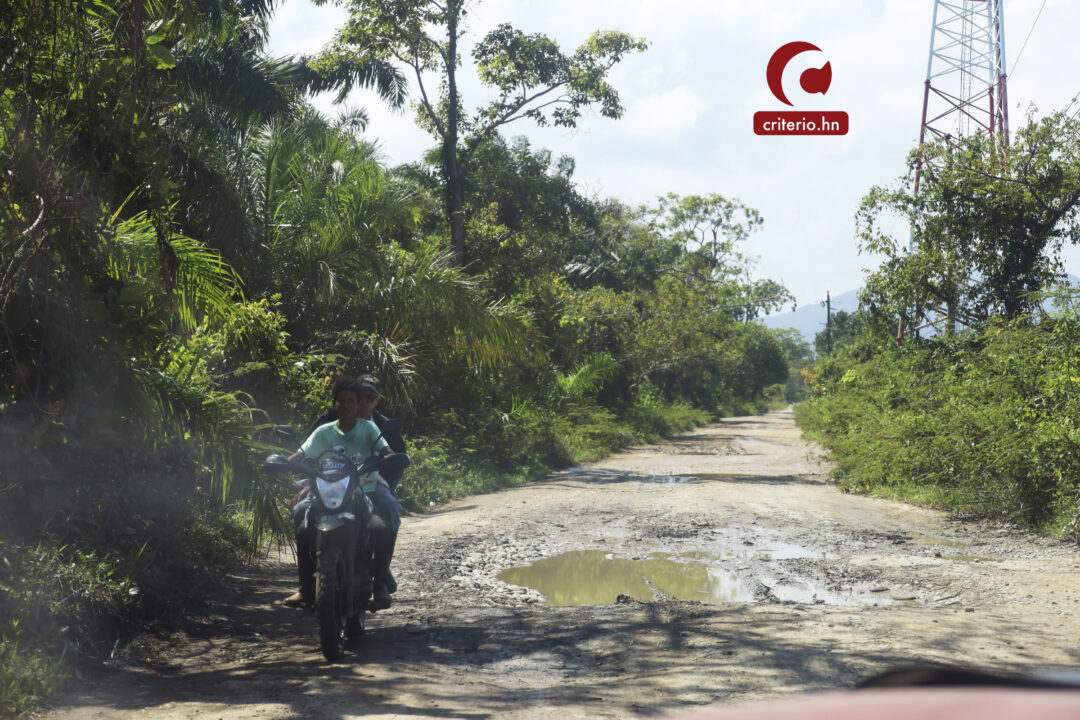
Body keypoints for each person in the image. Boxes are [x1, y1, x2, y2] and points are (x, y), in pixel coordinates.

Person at [284, 375, 402, 610]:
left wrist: (388, 461)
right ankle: (306, 587)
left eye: (355, 400)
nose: (347, 405)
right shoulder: (324, 428)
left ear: (370, 401)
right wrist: (285, 463)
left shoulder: (373, 427)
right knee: (300, 513)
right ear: (334, 403)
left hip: (366, 487)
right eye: (342, 400)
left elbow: (389, 453)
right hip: (327, 487)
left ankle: (380, 582)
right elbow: (304, 454)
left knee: (386, 516)